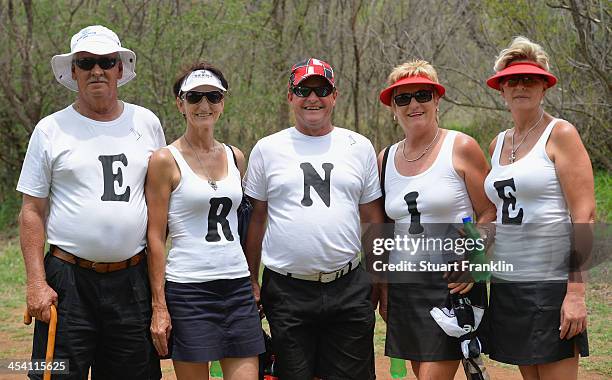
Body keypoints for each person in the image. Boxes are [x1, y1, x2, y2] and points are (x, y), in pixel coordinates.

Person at [17, 25, 165, 379]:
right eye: (86, 62)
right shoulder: (50, 129)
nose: (96, 70)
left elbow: (162, 203)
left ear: (119, 68)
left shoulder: (146, 123)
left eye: (105, 61)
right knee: (53, 373)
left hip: (132, 279)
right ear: (73, 71)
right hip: (67, 281)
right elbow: (32, 211)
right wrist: (36, 283)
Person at [243, 58, 384, 380]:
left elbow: (372, 218)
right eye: (302, 90)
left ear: (335, 96)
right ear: (290, 96)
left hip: (347, 284)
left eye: (322, 89)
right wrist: (251, 278)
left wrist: (380, 280)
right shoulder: (268, 148)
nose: (312, 98)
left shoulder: (358, 146)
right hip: (287, 288)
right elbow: (256, 218)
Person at [377, 59, 496, 380]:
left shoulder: (460, 147)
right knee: (420, 373)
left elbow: (489, 211)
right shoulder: (385, 158)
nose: (414, 104)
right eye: (403, 98)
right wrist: (385, 288)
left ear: (437, 100)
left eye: (423, 95)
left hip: (452, 282)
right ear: (393, 107)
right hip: (406, 284)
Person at [483, 36, 593, 380]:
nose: (520, 86)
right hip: (508, 283)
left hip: (550, 283)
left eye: (530, 79)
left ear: (544, 86)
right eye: (512, 80)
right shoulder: (497, 142)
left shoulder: (561, 134)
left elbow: (584, 215)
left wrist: (575, 292)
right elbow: (496, 213)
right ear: (501, 90)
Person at [146, 62, 265, 380]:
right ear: (180, 103)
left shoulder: (236, 156)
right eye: (194, 97)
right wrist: (160, 305)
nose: (204, 105)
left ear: (222, 103)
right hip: (189, 290)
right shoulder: (164, 160)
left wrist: (253, 280)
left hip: (236, 286)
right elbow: (155, 237)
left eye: (213, 96)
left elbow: (244, 222)